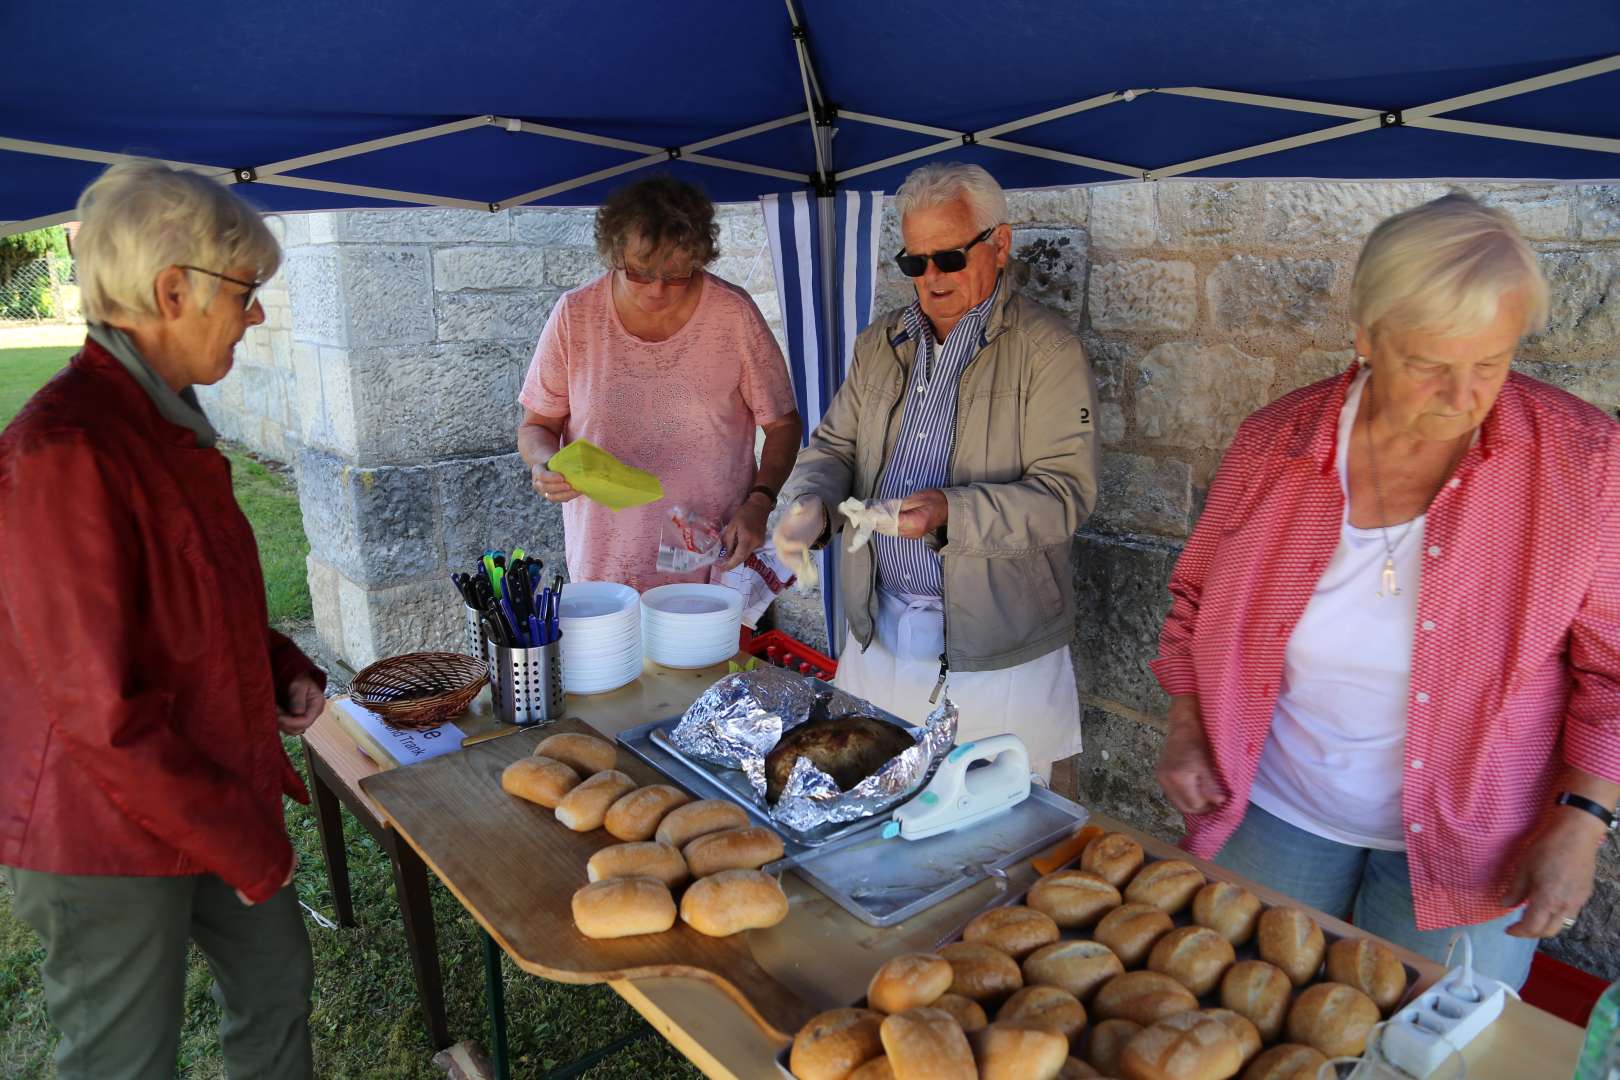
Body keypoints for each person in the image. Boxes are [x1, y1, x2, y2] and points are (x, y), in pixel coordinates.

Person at [1151, 192, 1620, 988]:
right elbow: (1195, 600)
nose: (1464, 398)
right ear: (1366, 336)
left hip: (1478, 843)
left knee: (1426, 1044)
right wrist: (1188, 722)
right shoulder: (1275, 444)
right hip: (1275, 809)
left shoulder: (1586, 464)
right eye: (1430, 365)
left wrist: (1584, 821)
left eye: (1491, 363)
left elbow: (1613, 671)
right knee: (1248, 1014)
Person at [0, 161, 326, 1077]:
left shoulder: (167, 419)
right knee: (125, 1060)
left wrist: (276, 662)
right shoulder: (66, 448)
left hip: (204, 781)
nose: (255, 315)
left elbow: (195, 596)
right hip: (100, 825)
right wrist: (242, 837)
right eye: (245, 292)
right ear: (172, 290)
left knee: (276, 989)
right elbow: (97, 708)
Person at [773, 163, 1098, 780]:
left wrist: (950, 512)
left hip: (994, 651)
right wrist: (810, 504)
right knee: (866, 804)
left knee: (990, 823)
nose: (931, 278)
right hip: (877, 631)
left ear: (1000, 244)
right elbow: (834, 447)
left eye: (948, 258)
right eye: (914, 262)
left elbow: (1064, 497)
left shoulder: (1047, 351)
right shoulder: (881, 343)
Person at [518, 176, 802, 590]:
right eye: (639, 272)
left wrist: (760, 502)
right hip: (605, 560)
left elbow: (783, 424)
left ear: (699, 258)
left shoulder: (732, 314)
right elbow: (536, 426)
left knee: (705, 633)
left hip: (711, 553)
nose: (656, 289)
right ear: (614, 254)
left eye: (676, 275)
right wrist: (544, 465)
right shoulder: (576, 315)